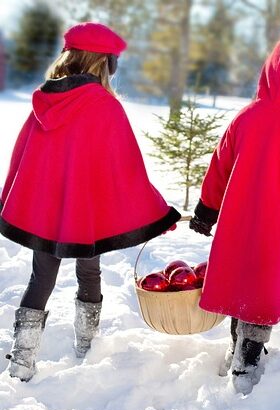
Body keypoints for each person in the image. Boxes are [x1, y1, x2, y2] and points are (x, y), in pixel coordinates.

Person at [0, 22, 181, 382]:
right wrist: (155, 212)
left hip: (48, 213)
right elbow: (127, 170)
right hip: (86, 210)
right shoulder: (104, 106)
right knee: (89, 270)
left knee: (41, 277)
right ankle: (87, 346)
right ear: (104, 64)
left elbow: (25, 162)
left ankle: (22, 359)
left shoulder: (44, 100)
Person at [189, 26, 280, 394]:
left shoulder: (245, 118)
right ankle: (247, 363)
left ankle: (239, 347)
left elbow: (218, 167)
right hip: (278, 231)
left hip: (237, 226)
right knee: (261, 296)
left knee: (242, 288)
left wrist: (207, 210)